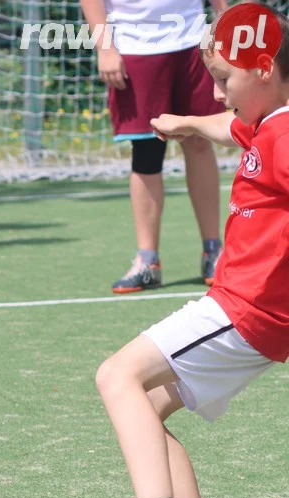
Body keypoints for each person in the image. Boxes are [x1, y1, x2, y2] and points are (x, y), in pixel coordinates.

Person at [95, 2, 289, 498]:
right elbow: (224, 128)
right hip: (244, 308)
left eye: (226, 81)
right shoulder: (262, 123)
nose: (218, 93)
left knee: (116, 375)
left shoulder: (283, 132)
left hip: (245, 309)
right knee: (145, 411)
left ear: (263, 69)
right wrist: (185, 121)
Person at [80, 0, 228, 293]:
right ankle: (148, 262)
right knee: (147, 150)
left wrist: (222, 15)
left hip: (193, 40)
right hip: (135, 46)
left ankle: (215, 253)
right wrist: (105, 48)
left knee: (200, 141)